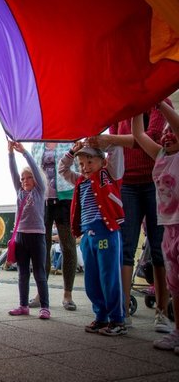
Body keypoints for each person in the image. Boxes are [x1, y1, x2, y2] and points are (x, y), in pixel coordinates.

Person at [87, 102, 171, 332]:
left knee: (158, 248)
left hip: (156, 181)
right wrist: (100, 142)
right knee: (125, 247)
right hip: (128, 184)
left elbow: (148, 138)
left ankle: (162, 311)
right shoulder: (119, 112)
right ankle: (122, 311)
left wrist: (110, 140)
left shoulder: (158, 105)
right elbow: (115, 145)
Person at [59, 141, 126, 336]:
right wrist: (72, 151)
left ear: (102, 161)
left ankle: (117, 320)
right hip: (88, 235)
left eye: (90, 161)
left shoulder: (109, 175)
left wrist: (99, 141)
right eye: (81, 164)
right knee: (92, 279)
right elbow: (63, 168)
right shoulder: (80, 180)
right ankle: (101, 316)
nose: (85, 167)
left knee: (109, 276)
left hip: (106, 231)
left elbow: (116, 148)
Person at [131, 102, 179, 353]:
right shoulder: (160, 155)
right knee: (175, 283)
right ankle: (177, 331)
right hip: (168, 229)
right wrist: (136, 103)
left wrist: (160, 103)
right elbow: (138, 135)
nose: (168, 134)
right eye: (165, 132)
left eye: (173, 131)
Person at [31, 142, 78, 310]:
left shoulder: (69, 142)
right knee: (42, 246)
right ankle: (40, 293)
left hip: (66, 199)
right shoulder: (37, 145)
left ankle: (68, 294)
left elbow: (78, 170)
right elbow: (33, 169)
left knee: (68, 245)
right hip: (43, 200)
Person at [6, 141, 50, 319]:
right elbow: (12, 172)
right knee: (22, 272)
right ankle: (23, 305)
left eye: (28, 177)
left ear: (35, 178)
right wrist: (10, 154)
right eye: (23, 179)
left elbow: (33, 166)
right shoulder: (19, 191)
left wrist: (24, 152)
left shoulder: (39, 190)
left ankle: (45, 307)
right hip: (21, 236)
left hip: (37, 236)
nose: (24, 181)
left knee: (39, 272)